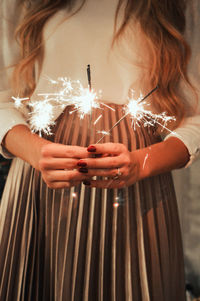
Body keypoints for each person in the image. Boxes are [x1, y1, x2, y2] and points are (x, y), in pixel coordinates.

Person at [0, 0, 199, 300]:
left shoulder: (182, 5)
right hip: (39, 188)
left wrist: (142, 162)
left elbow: (196, 116)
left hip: (139, 195)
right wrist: (35, 151)